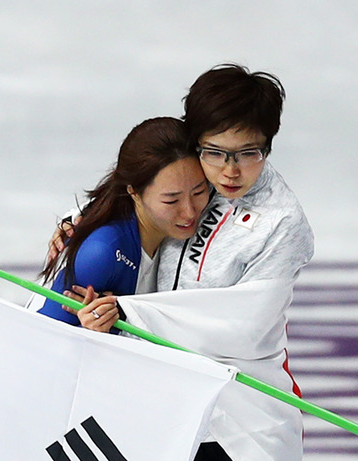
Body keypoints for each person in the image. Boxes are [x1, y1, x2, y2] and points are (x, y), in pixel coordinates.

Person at [53, 64, 314, 460]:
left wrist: (126, 316)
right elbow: (137, 191)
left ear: (269, 146)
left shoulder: (282, 224)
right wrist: (78, 227)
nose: (230, 170)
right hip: (160, 406)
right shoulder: (190, 172)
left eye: (249, 153)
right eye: (215, 152)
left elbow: (245, 328)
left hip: (239, 419)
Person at [36, 116, 209, 331]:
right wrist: (91, 332)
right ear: (134, 192)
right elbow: (42, 339)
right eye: (171, 200)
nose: (190, 212)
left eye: (200, 191)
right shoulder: (102, 254)